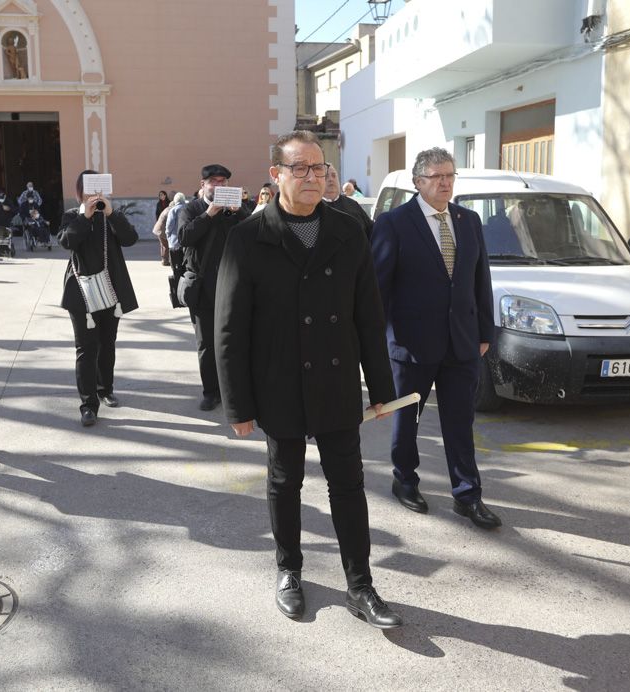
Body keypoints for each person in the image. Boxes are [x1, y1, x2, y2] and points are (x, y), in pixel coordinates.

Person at [215, 130, 402, 629]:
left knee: (348, 484)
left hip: (336, 382)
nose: (313, 177)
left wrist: (382, 389)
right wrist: (238, 405)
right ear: (275, 175)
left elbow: (368, 314)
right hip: (279, 382)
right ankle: (289, 571)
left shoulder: (347, 231)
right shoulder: (247, 237)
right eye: (300, 169)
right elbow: (229, 327)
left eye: (319, 168)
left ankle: (360, 585)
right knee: (284, 481)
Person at [370, 147, 500, 529]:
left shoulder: (468, 220)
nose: (445, 183)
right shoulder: (394, 223)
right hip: (411, 344)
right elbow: (378, 288)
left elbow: (481, 280)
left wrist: (484, 332)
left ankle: (468, 495)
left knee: (460, 422)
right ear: (418, 182)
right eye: (437, 177)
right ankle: (405, 481)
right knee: (406, 420)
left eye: (450, 176)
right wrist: (375, 343)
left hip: (462, 342)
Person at [58, 169, 138, 427]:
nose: (94, 196)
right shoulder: (72, 216)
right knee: (85, 348)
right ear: (79, 193)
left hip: (111, 290)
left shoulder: (112, 217)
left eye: (98, 190)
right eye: (88, 190)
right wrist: (85, 217)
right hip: (82, 292)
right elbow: (67, 242)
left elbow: (130, 239)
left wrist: (112, 213)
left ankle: (105, 389)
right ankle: (88, 404)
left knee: (108, 343)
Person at [177, 164, 248, 411]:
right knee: (207, 343)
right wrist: (210, 213)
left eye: (223, 182)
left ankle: (233, 390)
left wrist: (238, 212)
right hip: (202, 287)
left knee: (233, 340)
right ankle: (211, 392)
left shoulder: (235, 209)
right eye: (213, 182)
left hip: (233, 285)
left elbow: (254, 233)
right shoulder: (191, 209)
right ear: (203, 185)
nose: (218, 186)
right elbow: (184, 237)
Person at [323, 164, 373, 239]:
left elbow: (371, 230)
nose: (331, 179)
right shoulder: (314, 208)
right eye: (326, 176)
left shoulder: (353, 205)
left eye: (334, 176)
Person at [163, 192, 187, 276]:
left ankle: (177, 284)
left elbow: (169, 226)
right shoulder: (188, 208)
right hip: (186, 243)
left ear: (175, 200)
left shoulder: (173, 210)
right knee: (185, 266)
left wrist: (168, 236)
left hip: (175, 243)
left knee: (175, 267)